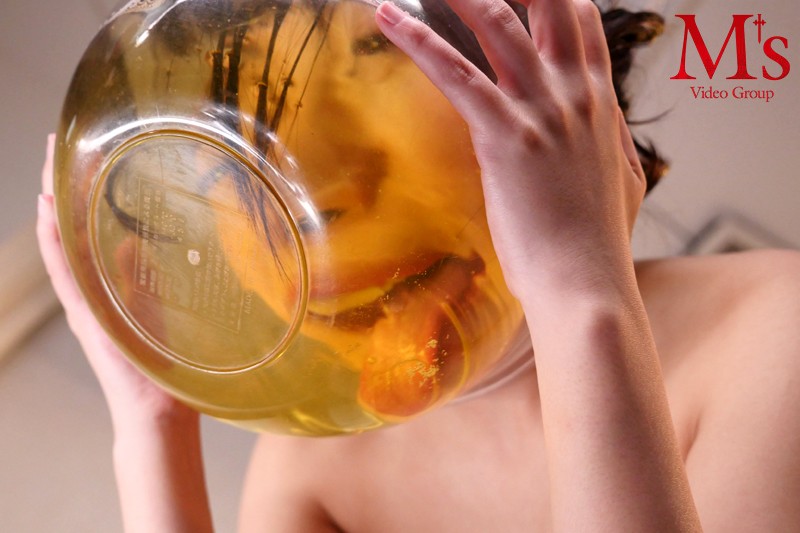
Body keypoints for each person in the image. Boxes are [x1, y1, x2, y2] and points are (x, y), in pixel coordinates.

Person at [36, 0, 800, 530]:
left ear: (561, 92)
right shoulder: (314, 467)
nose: (317, 192)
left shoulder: (773, 336)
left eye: (380, 50)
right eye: (239, 128)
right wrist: (153, 422)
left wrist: (579, 299)